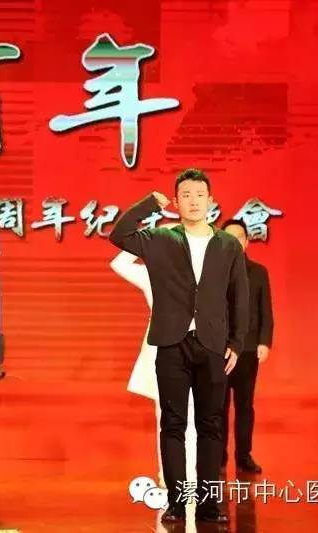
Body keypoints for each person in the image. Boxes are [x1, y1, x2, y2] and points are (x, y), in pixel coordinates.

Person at [109, 168, 248, 524]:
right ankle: (175, 501)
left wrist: (236, 342)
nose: (193, 201)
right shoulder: (161, 238)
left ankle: (208, 504)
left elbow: (239, 296)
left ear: (211, 201)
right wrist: (147, 205)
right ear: (176, 201)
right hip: (171, 344)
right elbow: (119, 235)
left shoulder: (227, 245)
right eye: (186, 195)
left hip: (212, 345)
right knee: (173, 425)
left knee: (210, 426)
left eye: (200, 194)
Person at [110, 248, 197, 488]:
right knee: (167, 419)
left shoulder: (205, 272)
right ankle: (169, 476)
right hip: (163, 352)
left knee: (194, 418)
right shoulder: (153, 274)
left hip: (197, 351)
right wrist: (146, 241)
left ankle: (191, 477)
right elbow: (119, 264)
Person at [221, 220, 273, 474]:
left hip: (248, 349)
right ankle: (217, 457)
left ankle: (244, 456)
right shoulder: (210, 270)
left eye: (239, 237)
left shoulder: (258, 272)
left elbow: (266, 310)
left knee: (244, 405)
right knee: (217, 406)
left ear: (246, 241)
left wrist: (265, 341)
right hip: (218, 350)